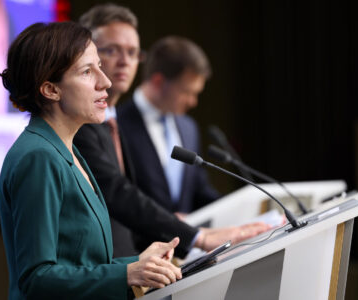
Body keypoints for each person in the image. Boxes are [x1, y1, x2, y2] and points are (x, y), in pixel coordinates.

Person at [0, 21, 182, 299]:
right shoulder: (38, 157)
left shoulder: (67, 148)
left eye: (99, 66)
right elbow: (37, 278)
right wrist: (127, 273)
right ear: (50, 90)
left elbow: (80, 264)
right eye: (87, 71)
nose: (105, 81)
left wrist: (138, 263)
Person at [74, 3, 271, 258]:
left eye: (133, 52)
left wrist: (246, 213)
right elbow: (117, 192)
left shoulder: (116, 122)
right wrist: (198, 236)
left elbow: (197, 191)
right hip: (110, 267)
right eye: (111, 51)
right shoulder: (89, 123)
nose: (124, 61)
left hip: (147, 261)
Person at [117, 36, 218, 214]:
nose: (193, 102)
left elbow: (200, 192)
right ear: (158, 82)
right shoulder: (117, 126)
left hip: (191, 240)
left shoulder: (189, 127)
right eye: (187, 92)